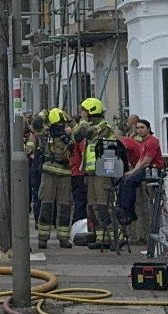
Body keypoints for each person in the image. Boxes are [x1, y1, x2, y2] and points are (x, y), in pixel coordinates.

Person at [73, 98, 115, 250]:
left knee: (105, 206)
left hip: (104, 171)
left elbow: (87, 134)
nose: (81, 113)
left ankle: (115, 236)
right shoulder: (91, 126)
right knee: (93, 207)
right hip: (92, 173)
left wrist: (82, 121)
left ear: (91, 111)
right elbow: (77, 137)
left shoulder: (104, 127)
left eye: (83, 110)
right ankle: (101, 237)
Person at [32, 108, 73, 249]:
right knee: (46, 206)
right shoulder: (45, 136)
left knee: (65, 207)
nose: (60, 128)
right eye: (57, 125)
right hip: (48, 174)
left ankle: (64, 238)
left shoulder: (68, 136)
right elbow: (36, 123)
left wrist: (71, 121)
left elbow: (82, 133)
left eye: (62, 125)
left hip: (65, 175)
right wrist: (45, 113)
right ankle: (43, 238)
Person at [117, 119, 165, 224]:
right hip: (146, 168)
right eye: (138, 128)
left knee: (130, 181)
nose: (139, 130)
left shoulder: (152, 141)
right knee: (124, 178)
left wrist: (133, 172)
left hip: (154, 169)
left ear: (148, 129)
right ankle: (121, 206)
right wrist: (133, 171)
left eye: (142, 128)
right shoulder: (144, 142)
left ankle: (129, 211)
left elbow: (146, 162)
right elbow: (140, 160)